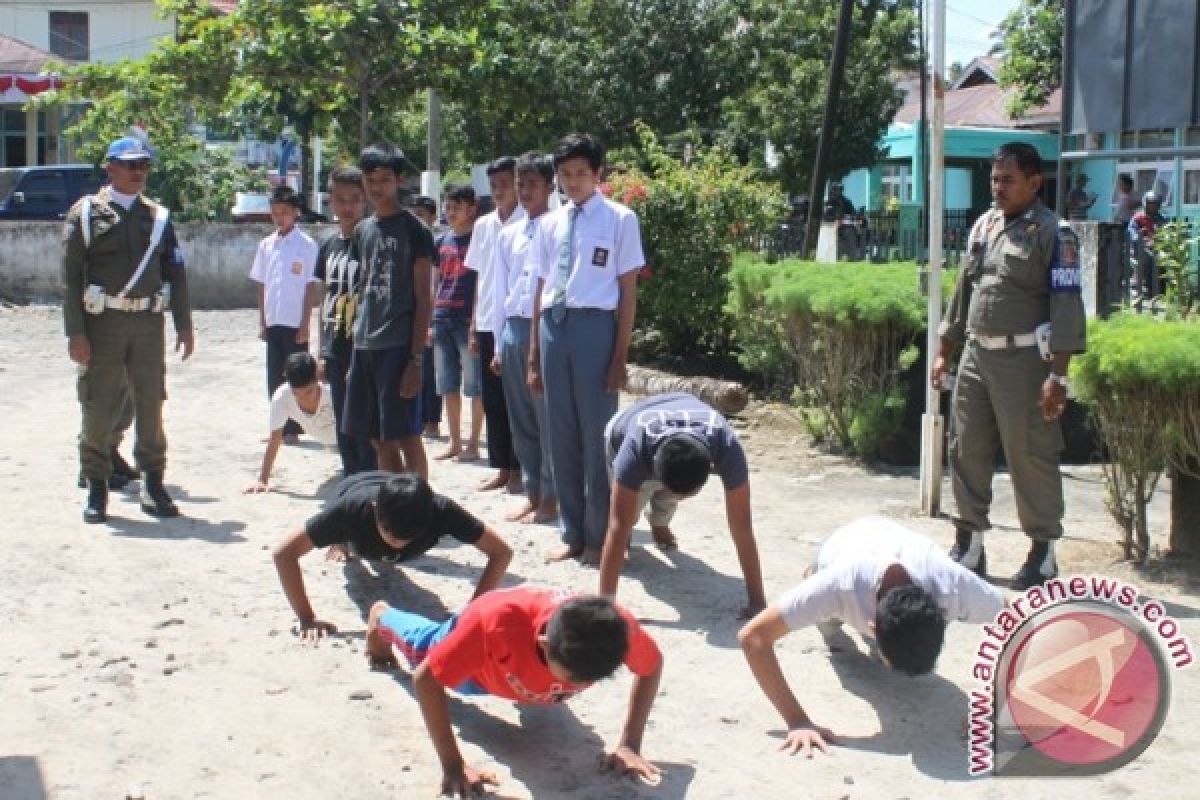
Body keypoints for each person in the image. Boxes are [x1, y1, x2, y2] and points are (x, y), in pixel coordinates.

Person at [931, 142, 1087, 590]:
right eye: (994, 179)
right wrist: (945, 348)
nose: (997, 187)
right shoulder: (984, 225)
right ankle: (970, 542)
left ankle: (1042, 553)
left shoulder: (1056, 234)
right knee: (966, 447)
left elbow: (1066, 306)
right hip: (977, 355)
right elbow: (964, 290)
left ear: (1034, 182)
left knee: (1030, 454)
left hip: (1025, 363)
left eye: (1007, 180)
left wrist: (1058, 376)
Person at [737, 516, 1005, 757]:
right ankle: (811, 575)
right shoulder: (837, 586)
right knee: (828, 626)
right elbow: (753, 638)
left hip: (893, 537)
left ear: (942, 615)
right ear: (871, 627)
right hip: (841, 545)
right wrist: (797, 722)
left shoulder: (952, 586)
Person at [365, 586, 663, 796]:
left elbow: (652, 666)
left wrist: (630, 744)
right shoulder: (492, 626)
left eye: (588, 681)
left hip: (526, 676)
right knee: (420, 645)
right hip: (481, 673)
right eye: (574, 679)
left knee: (548, 691)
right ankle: (383, 617)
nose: (579, 687)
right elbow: (425, 680)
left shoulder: (615, 630)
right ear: (545, 646)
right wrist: (453, 765)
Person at [63, 135, 194, 523]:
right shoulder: (86, 215)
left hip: (148, 323)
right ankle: (98, 484)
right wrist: (76, 333)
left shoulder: (158, 218)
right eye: (130, 164)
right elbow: (71, 280)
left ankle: (153, 482)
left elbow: (176, 272)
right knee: (99, 405)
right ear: (111, 167)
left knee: (151, 404)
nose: (138, 172)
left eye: (144, 166)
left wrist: (184, 325)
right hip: (103, 323)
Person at [528, 133, 645, 565]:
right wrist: (534, 355)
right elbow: (541, 287)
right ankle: (571, 531)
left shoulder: (620, 219)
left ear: (598, 174)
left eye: (581, 173)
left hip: (596, 328)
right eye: (565, 174)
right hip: (553, 328)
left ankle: (602, 536)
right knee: (560, 436)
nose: (572, 182)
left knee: (600, 437)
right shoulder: (550, 223)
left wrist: (619, 356)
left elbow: (628, 291)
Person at [272, 472, 512, 641]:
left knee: (387, 558)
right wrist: (306, 618)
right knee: (351, 554)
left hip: (395, 492)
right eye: (390, 534)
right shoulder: (350, 510)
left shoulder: (442, 510)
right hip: (352, 489)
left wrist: (474, 610)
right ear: (375, 510)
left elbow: (502, 551)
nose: (399, 543)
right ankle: (341, 542)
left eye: (408, 538)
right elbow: (283, 553)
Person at [597, 392, 767, 619]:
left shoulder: (726, 443)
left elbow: (742, 527)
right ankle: (634, 539)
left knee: (669, 497)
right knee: (629, 516)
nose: (682, 498)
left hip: (681, 411)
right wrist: (604, 609)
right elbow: (617, 526)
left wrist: (758, 601)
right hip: (626, 424)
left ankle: (659, 524)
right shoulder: (633, 451)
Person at [342, 143, 432, 479]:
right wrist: (355, 355)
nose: (377, 187)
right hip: (366, 347)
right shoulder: (363, 231)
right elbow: (364, 293)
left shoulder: (415, 230)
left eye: (384, 179)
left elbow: (424, 298)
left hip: (398, 346)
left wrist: (416, 360)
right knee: (379, 438)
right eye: (370, 179)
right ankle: (395, 507)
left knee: (407, 435)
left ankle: (419, 507)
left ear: (399, 180)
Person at [493, 152, 557, 524]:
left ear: (550, 186)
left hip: (544, 328)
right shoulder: (509, 234)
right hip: (513, 328)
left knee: (547, 419)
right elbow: (500, 288)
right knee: (521, 420)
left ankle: (552, 495)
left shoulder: (560, 227)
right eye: (521, 183)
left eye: (533, 183)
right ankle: (532, 492)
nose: (525, 190)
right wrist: (500, 344)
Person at [465, 157, 524, 493]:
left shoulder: (530, 222)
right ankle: (501, 467)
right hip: (487, 319)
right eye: (495, 186)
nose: (500, 191)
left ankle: (519, 469)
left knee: (515, 397)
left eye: (506, 184)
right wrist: (474, 323)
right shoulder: (485, 225)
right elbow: (480, 279)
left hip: (514, 321)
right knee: (492, 399)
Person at [314, 165, 375, 475]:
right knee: (341, 416)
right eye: (341, 199)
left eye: (354, 199)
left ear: (364, 201)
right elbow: (324, 300)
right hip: (335, 344)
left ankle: (368, 476)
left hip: (363, 347)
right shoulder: (327, 247)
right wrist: (321, 349)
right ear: (331, 202)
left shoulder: (370, 243)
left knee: (363, 418)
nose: (348, 206)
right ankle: (350, 472)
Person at [249, 185, 319, 442]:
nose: (280, 217)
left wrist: (305, 322)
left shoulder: (306, 245)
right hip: (274, 318)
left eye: (285, 212)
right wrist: (262, 320)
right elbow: (262, 284)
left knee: (298, 375)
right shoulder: (266, 245)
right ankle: (278, 427)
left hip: (294, 320)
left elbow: (310, 285)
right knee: (274, 373)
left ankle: (295, 427)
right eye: (276, 213)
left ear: (296, 213)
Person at [431, 184, 484, 462]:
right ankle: (454, 441)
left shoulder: (479, 239)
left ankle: (474, 443)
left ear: (471, 209)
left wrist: (476, 320)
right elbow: (435, 282)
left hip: (467, 318)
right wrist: (430, 318)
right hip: (442, 316)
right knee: (447, 383)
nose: (450, 212)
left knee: (475, 385)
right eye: (447, 207)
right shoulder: (441, 241)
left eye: (456, 207)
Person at [244, 352, 337, 493]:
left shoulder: (333, 392)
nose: (302, 399)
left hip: (353, 443)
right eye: (296, 393)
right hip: (331, 445)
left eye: (308, 392)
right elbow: (275, 438)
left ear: (316, 378)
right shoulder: (282, 397)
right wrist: (263, 480)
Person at [404, 194, 444, 440]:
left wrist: (430, 319)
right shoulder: (406, 244)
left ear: (432, 217)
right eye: (414, 214)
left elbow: (436, 285)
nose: (417, 219)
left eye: (422, 214)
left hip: (430, 314)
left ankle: (432, 420)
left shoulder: (437, 244)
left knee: (430, 371)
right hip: (410, 313)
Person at [1128, 190, 1167, 300]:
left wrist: (1159, 240)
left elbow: (1167, 232)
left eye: (1155, 204)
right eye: (1150, 204)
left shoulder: (1161, 219)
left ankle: (1161, 290)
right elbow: (1132, 233)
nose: (1152, 207)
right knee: (1148, 259)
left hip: (1157, 248)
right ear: (1145, 204)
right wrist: (1143, 241)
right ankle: (1146, 288)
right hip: (1139, 249)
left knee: (1164, 260)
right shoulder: (1137, 218)